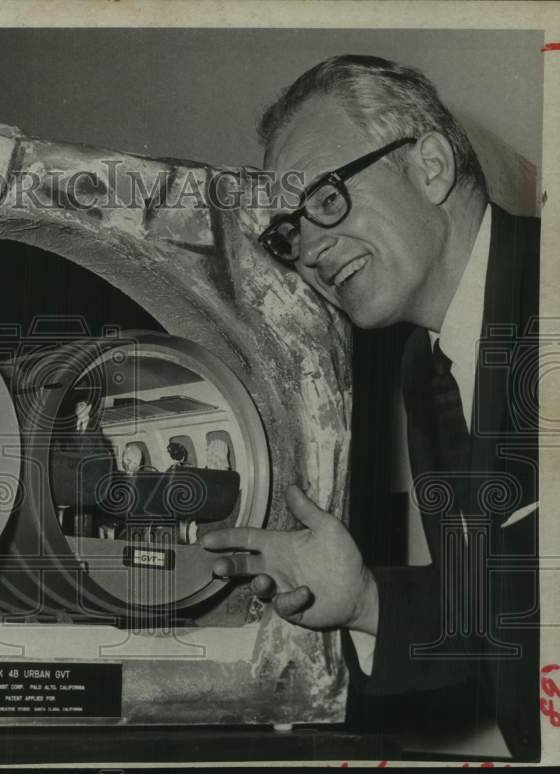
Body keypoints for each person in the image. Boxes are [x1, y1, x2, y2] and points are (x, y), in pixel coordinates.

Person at [201, 55, 540, 760]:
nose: (312, 253)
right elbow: (500, 623)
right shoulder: (429, 370)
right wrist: (364, 602)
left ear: (431, 166)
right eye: (289, 232)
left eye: (326, 199)